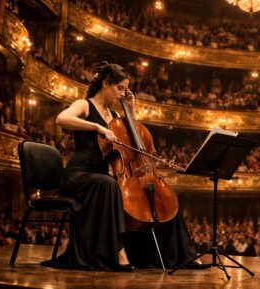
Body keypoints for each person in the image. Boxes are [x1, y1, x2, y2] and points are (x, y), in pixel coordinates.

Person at [42, 62, 197, 271]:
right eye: (120, 88)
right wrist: (97, 127)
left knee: (163, 194)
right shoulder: (85, 105)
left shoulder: (115, 116)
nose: (123, 93)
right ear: (106, 83)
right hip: (77, 175)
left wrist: (131, 110)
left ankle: (183, 255)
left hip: (103, 178)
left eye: (126, 89)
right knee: (108, 186)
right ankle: (118, 252)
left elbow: (134, 140)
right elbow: (62, 119)